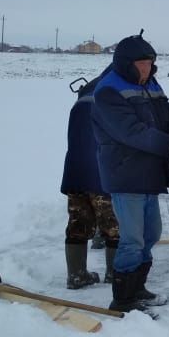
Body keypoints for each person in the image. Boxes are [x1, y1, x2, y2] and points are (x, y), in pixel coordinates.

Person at [91, 30, 169, 312]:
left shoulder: (149, 82)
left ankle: (138, 288)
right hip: (125, 173)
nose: (148, 68)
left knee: (151, 234)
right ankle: (122, 300)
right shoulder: (108, 90)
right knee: (132, 239)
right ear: (126, 63)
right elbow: (133, 133)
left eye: (151, 62)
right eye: (143, 63)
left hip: (149, 172)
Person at [61, 66, 119, 289]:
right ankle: (115, 276)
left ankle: (76, 275)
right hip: (102, 173)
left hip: (75, 171)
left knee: (77, 223)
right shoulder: (111, 98)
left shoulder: (81, 100)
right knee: (115, 226)